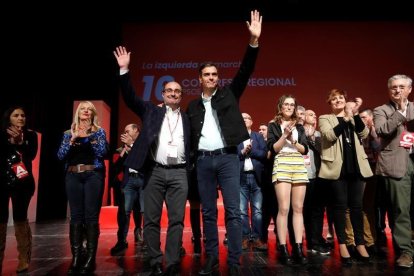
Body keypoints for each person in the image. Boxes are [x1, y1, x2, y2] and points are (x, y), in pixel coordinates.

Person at [186, 10, 262, 275]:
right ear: (200, 78)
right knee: (208, 212)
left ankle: (233, 261)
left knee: (232, 211)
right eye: (207, 74)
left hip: (229, 158)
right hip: (204, 162)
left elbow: (245, 70)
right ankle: (211, 259)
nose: (211, 77)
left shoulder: (228, 94)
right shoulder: (193, 106)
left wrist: (253, 42)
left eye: (214, 74)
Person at [113, 46, 190, 276]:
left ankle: (173, 261)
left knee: (177, 220)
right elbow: (129, 97)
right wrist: (124, 70)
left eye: (177, 91)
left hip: (179, 173)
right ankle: (155, 260)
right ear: (163, 94)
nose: (173, 94)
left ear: (181, 96)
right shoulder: (151, 111)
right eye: (169, 90)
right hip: (154, 171)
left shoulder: (187, 118)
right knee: (152, 221)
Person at [318, 90, 372, 266]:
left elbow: (364, 134)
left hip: (357, 167)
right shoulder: (325, 118)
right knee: (340, 207)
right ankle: (342, 244)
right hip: (337, 168)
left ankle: (360, 244)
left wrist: (354, 115)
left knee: (357, 207)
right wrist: (346, 119)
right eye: (334, 99)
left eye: (341, 98)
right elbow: (329, 136)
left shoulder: (353, 116)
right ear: (330, 103)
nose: (338, 100)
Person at [57, 101, 108, 274]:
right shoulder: (67, 133)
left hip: (93, 175)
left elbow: (102, 153)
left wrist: (90, 136)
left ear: (93, 114)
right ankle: (77, 257)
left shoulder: (99, 132)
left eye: (89, 110)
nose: (86, 111)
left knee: (91, 216)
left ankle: (90, 258)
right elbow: (60, 155)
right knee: (76, 216)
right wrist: (72, 139)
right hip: (72, 176)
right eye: (83, 109)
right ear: (78, 113)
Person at [373, 74, 414, 268]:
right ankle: (405, 251)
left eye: (401, 87)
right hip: (396, 163)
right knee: (400, 210)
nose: (397, 90)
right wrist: (400, 111)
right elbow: (383, 130)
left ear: (409, 89)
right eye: (393, 88)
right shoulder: (381, 110)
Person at [267, 95, 309, 265]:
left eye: (292, 104)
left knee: (298, 208)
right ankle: (283, 248)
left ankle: (298, 248)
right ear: (280, 106)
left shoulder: (300, 126)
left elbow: (304, 149)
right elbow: (273, 148)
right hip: (282, 162)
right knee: (284, 208)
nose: (290, 107)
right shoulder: (273, 125)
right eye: (286, 104)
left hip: (298, 164)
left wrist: (294, 140)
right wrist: (284, 136)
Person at [0, 106, 37, 274]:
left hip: (23, 183)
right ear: (9, 118)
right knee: (1, 219)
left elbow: (31, 155)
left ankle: (23, 258)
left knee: (20, 218)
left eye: (23, 115)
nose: (21, 118)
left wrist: (21, 143)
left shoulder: (30, 135)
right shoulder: (1, 134)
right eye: (16, 115)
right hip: (2, 181)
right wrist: (9, 143)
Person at [110, 123, 145, 255]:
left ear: (136, 131)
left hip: (142, 180)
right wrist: (124, 151)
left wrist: (131, 146)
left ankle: (146, 240)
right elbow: (117, 167)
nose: (125, 134)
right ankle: (121, 240)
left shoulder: (143, 145)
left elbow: (143, 161)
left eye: (128, 131)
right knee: (124, 211)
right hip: (129, 181)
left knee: (145, 211)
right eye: (124, 131)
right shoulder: (121, 149)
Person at [302, 109, 331, 255]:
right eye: (310, 114)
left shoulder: (319, 134)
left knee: (318, 210)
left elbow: (323, 152)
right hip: (304, 176)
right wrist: (306, 136)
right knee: (308, 210)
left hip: (319, 175)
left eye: (315, 114)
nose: (314, 116)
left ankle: (317, 238)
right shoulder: (299, 132)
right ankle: (312, 241)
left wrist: (313, 137)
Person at [237, 113, 267, 251]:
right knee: (242, 211)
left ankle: (256, 238)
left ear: (252, 121)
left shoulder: (258, 136)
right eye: (242, 119)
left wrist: (251, 151)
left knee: (257, 211)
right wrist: (243, 152)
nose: (244, 120)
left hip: (256, 177)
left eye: (247, 118)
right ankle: (244, 237)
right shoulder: (235, 137)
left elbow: (264, 154)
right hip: (241, 176)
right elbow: (231, 156)